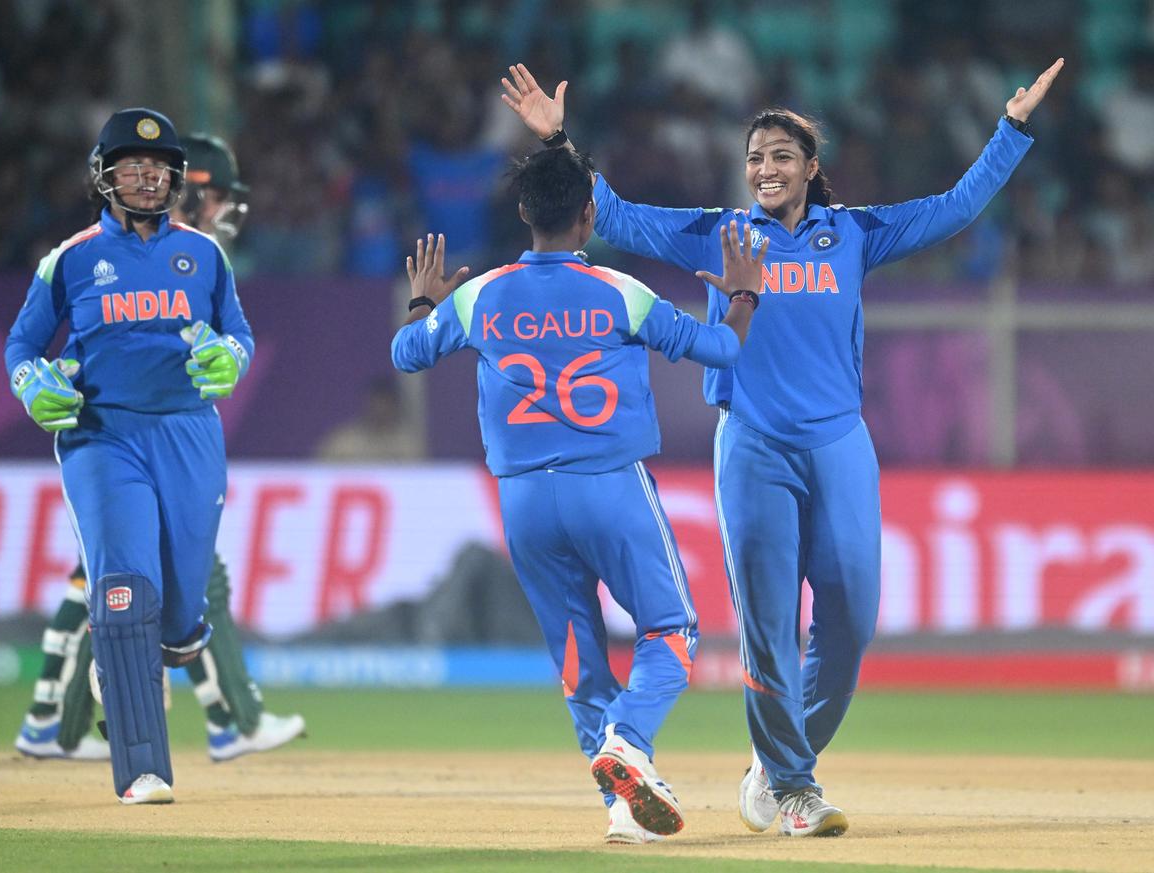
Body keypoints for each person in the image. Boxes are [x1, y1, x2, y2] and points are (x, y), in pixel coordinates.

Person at [502, 58, 1063, 836]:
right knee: (769, 627)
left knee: (851, 621)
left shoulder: (854, 233)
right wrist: (560, 141)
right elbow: (617, 215)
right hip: (755, 449)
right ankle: (797, 789)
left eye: (780, 157)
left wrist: (1012, 128)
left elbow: (956, 208)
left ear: (810, 169)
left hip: (840, 444)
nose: (765, 169)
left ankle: (773, 765)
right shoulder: (721, 233)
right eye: (756, 158)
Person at [391, 147, 764, 843]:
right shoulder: (621, 291)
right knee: (671, 629)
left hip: (525, 500)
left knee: (577, 655)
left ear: (525, 211)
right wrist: (743, 295)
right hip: (610, 485)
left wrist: (424, 301)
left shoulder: (480, 295)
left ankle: (622, 806)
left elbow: (406, 353)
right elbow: (722, 351)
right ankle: (628, 740)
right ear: (589, 213)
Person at [13, 132, 305, 766]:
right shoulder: (93, 256)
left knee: (128, 585)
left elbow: (229, 337)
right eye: (221, 193)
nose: (227, 209)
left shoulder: (198, 257)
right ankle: (222, 719)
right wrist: (49, 378)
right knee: (141, 585)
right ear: (194, 188)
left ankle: (53, 720)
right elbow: (82, 344)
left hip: (176, 437)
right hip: (109, 437)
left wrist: (229, 355)